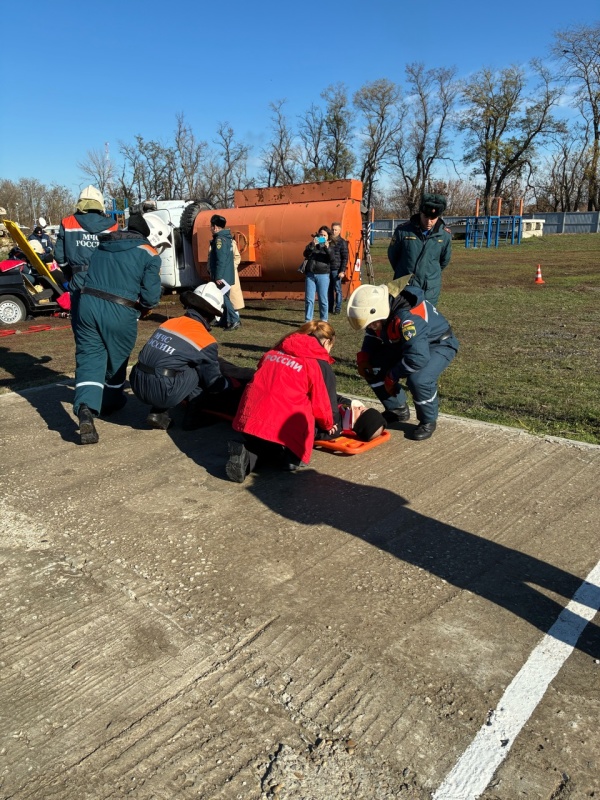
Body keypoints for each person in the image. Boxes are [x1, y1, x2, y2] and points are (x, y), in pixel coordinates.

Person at [73, 212, 166, 445]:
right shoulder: (149, 253)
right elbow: (151, 297)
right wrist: (145, 307)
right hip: (120, 309)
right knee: (117, 361)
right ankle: (111, 401)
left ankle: (85, 408)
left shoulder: (103, 245)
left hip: (87, 305)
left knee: (89, 358)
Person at [226, 321, 342, 482]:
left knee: (264, 443)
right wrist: (330, 425)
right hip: (284, 425)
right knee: (323, 428)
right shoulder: (318, 363)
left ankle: (246, 456)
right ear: (327, 342)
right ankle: (290, 457)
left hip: (249, 418)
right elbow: (323, 405)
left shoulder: (275, 350)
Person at [347, 278, 459, 441]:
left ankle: (428, 420)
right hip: (408, 344)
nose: (369, 327)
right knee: (372, 368)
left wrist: (392, 376)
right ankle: (397, 409)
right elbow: (373, 335)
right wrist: (364, 356)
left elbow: (417, 357)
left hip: (438, 343)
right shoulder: (380, 314)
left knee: (419, 379)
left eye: (371, 324)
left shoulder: (407, 319)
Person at [130, 282, 235, 431]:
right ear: (211, 315)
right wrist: (231, 384)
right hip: (161, 391)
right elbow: (213, 383)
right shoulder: (205, 340)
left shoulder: (169, 323)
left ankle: (157, 413)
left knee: (169, 365)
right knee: (197, 371)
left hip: (137, 382)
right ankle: (193, 419)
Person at [54, 186, 119, 330]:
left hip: (79, 278)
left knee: (82, 326)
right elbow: (118, 255)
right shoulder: (113, 225)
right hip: (105, 279)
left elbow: (59, 255)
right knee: (104, 322)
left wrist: (69, 273)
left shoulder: (67, 222)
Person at [387, 193, 452, 306]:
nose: (429, 221)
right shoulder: (403, 231)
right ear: (420, 213)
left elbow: (444, 260)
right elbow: (393, 255)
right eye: (426, 217)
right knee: (403, 314)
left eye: (433, 218)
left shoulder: (444, 235)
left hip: (430, 288)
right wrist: (405, 271)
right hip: (404, 285)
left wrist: (429, 273)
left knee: (426, 315)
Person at [208, 214, 240, 331]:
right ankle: (224, 320)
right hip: (227, 275)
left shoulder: (220, 240)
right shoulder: (227, 238)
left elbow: (221, 260)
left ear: (215, 227)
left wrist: (218, 276)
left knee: (224, 298)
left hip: (222, 276)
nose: (211, 228)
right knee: (223, 297)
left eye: (211, 226)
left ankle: (234, 320)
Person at [303, 226, 334, 323]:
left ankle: (324, 320)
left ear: (328, 237)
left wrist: (327, 248)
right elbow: (305, 254)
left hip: (323, 275)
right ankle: (308, 320)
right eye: (321, 235)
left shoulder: (330, 246)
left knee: (323, 299)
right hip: (311, 274)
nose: (322, 237)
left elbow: (332, 258)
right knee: (309, 299)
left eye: (324, 235)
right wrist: (312, 245)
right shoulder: (313, 244)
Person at [328, 221, 349, 315]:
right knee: (329, 289)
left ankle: (338, 308)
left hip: (336, 269)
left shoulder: (342, 242)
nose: (334, 231)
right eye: (332, 229)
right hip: (328, 268)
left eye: (336, 230)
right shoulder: (328, 241)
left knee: (337, 289)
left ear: (340, 231)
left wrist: (342, 271)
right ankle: (330, 307)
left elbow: (345, 257)